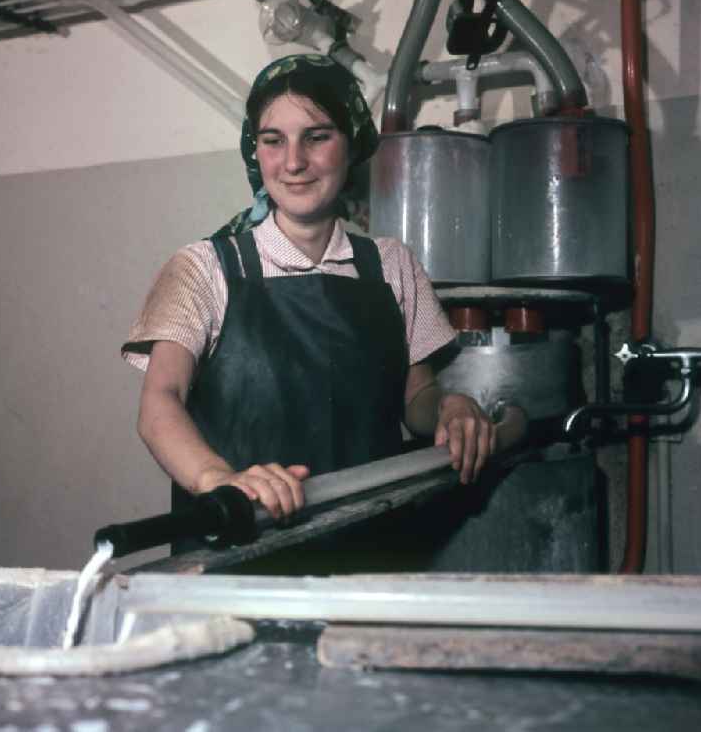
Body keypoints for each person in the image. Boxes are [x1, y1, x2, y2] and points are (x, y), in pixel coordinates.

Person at [122, 54, 496, 564]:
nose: (293, 161)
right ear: (256, 152)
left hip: (369, 551)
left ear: (352, 145)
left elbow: (418, 397)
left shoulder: (391, 265)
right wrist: (220, 481)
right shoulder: (203, 268)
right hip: (238, 559)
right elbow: (159, 402)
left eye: (317, 137)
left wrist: (451, 407)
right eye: (273, 140)